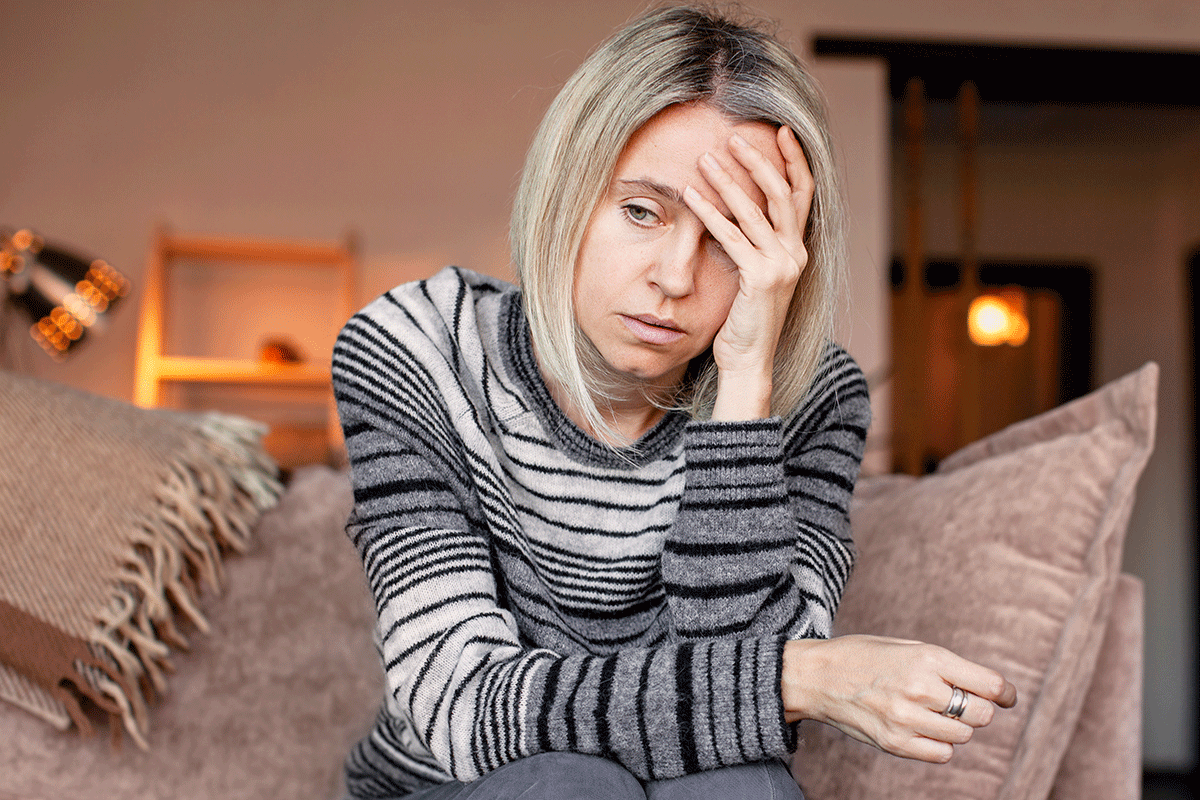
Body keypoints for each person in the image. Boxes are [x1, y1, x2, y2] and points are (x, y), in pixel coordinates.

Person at [332, 5, 1017, 799]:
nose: (676, 278)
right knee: (571, 783)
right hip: (457, 788)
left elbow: (749, 729)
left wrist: (746, 386)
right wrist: (801, 675)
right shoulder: (417, 348)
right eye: (640, 211)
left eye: (730, 239)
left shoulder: (816, 399)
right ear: (566, 192)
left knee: (736, 781)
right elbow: (460, 709)